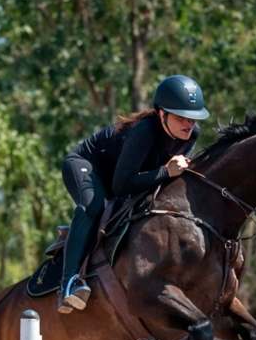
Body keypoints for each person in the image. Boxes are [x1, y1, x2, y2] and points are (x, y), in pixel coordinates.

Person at [57, 74, 210, 313]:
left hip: (126, 176)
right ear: (162, 114)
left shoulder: (192, 135)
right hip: (87, 166)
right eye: (181, 117)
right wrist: (165, 171)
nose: (188, 125)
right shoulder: (145, 132)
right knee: (93, 206)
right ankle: (68, 282)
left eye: (192, 118)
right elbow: (121, 186)